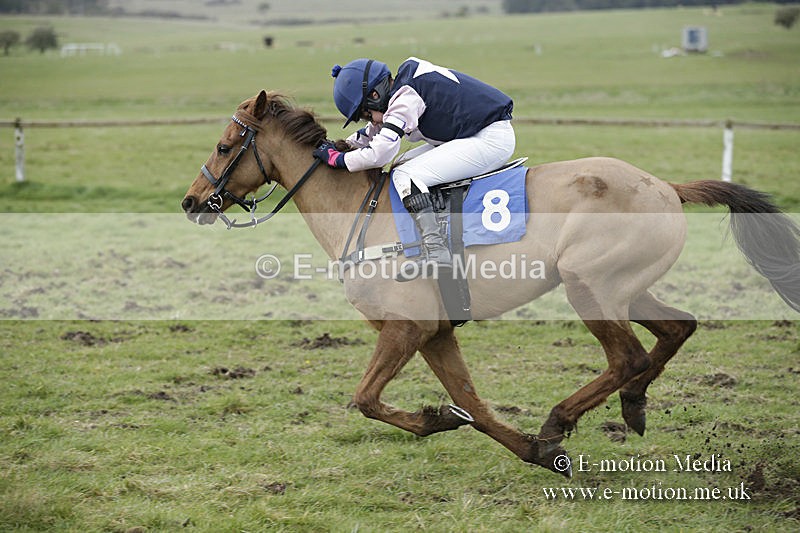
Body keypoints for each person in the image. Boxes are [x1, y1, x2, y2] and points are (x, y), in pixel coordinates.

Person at [313, 57, 515, 281]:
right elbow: (372, 133)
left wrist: (339, 160)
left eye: (367, 114)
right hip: (475, 133)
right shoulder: (404, 87)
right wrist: (340, 146)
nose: (371, 121)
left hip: (490, 139)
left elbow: (380, 153)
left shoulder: (406, 98)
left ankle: (436, 250)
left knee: (405, 174)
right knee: (403, 164)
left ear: (375, 96)